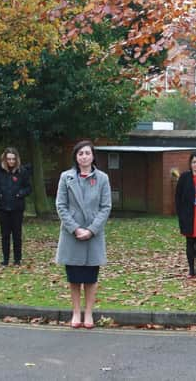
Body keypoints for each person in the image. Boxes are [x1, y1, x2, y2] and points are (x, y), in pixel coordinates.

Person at [55, 140, 111, 329]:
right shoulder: (66, 177)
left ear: (93, 156)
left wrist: (91, 229)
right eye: (80, 154)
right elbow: (61, 205)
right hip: (72, 234)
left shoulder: (102, 178)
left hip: (93, 235)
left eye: (87, 153)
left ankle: (89, 312)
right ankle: (76, 312)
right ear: (76, 157)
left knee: (90, 277)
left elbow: (106, 207)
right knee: (74, 277)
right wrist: (76, 228)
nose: (84, 156)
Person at [0, 147, 32, 266]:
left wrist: (21, 194)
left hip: (17, 208)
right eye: (9, 159)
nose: (11, 162)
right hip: (3, 207)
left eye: (13, 159)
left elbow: (28, 188)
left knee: (17, 234)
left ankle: (17, 259)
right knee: (5, 235)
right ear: (5, 159)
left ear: (16, 159)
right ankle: (5, 259)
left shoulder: (22, 172)